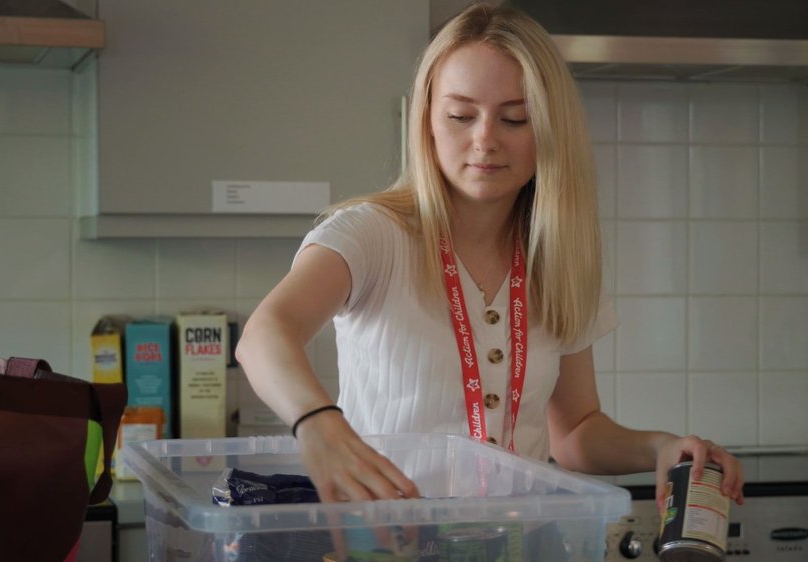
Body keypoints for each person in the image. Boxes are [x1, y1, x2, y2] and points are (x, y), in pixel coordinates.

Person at [236, 2, 745, 513]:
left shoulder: (559, 255)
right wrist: (318, 422)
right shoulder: (371, 234)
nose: (485, 140)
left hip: (520, 539)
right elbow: (264, 335)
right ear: (427, 122)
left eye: (515, 118)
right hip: (389, 543)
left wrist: (659, 447)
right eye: (460, 116)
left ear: (549, 129)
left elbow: (574, 432)